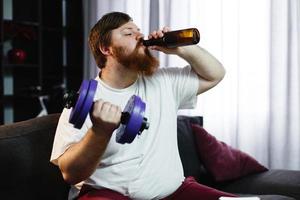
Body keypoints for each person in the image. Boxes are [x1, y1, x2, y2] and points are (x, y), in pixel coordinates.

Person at [50, 11, 234, 200]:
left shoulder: (163, 82)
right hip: (108, 194)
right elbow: (70, 173)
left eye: (139, 31)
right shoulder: (82, 102)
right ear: (106, 48)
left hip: (174, 192)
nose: (140, 36)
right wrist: (100, 133)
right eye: (129, 33)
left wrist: (180, 49)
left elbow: (215, 74)